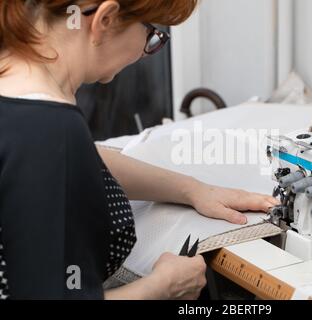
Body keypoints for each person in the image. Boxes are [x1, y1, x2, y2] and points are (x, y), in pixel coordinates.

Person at [0, 0, 280, 300]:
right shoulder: (51, 126)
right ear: (105, 19)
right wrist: (164, 286)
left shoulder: (21, 98)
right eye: (150, 34)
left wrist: (193, 190)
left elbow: (62, 164)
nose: (145, 52)